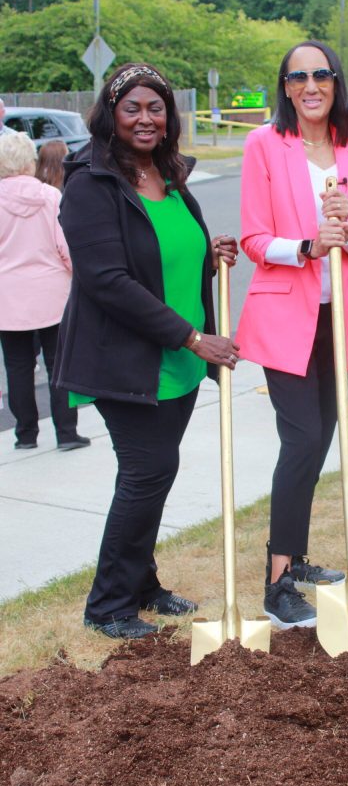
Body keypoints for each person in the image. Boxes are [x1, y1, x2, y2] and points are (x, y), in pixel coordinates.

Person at [54, 62, 240, 640]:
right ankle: (108, 604)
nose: (145, 117)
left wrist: (211, 253)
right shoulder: (90, 183)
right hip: (129, 361)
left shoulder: (170, 175)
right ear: (109, 115)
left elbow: (165, 257)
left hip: (178, 360)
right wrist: (191, 336)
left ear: (169, 116)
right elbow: (108, 280)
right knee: (145, 472)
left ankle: (142, 583)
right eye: (131, 107)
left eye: (155, 107)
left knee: (155, 473)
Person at [236, 40, 348, 630]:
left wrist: (347, 236)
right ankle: (276, 585)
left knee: (320, 439)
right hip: (283, 316)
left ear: (335, 81)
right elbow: (252, 238)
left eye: (321, 74)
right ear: (287, 87)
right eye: (299, 77)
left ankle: (294, 559)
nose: (311, 85)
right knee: (301, 441)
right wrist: (307, 247)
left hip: (337, 317)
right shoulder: (264, 145)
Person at [0, 130, 89, 451]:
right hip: (52, 294)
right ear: (29, 161)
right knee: (60, 363)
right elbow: (66, 248)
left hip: (7, 299)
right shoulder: (51, 197)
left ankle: (25, 435)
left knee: (17, 367)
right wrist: (75, 276)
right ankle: (66, 432)